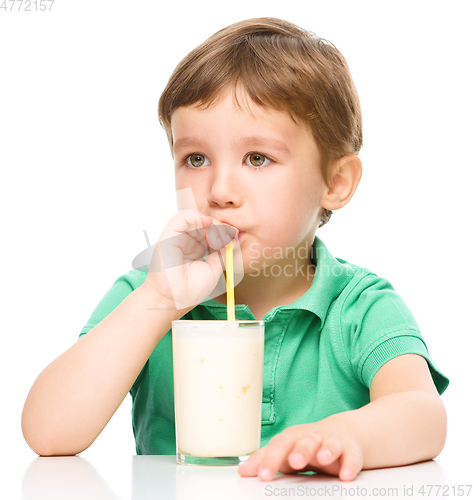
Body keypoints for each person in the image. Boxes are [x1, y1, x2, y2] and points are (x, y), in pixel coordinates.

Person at [21, 17, 449, 482]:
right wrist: (158, 301)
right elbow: (48, 434)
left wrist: (346, 436)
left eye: (257, 158)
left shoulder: (361, 307)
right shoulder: (147, 294)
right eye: (196, 159)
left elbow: (423, 414)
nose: (220, 190)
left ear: (336, 182)